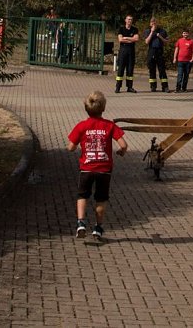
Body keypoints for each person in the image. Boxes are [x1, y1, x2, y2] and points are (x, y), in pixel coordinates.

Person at [67, 90, 128, 241]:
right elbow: (124, 145)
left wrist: (78, 146)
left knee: (82, 196)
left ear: (86, 108)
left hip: (86, 168)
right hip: (104, 170)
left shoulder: (81, 126)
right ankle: (98, 227)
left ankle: (81, 223)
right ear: (103, 108)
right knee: (101, 199)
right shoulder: (110, 126)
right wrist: (121, 151)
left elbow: (70, 147)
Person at [116, 14, 139, 93]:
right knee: (121, 69)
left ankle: (129, 87)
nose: (130, 21)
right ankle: (118, 87)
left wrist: (126, 37)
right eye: (128, 19)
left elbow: (136, 39)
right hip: (123, 51)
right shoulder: (121, 29)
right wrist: (130, 40)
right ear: (125, 20)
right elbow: (120, 40)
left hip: (131, 51)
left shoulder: (135, 29)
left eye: (131, 19)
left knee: (130, 70)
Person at [144, 17, 169, 92]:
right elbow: (146, 42)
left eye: (154, 22)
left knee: (162, 69)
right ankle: (153, 86)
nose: (153, 23)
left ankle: (165, 87)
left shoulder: (162, 31)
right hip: (151, 51)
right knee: (152, 69)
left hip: (159, 51)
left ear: (157, 23)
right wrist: (152, 32)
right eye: (152, 22)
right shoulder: (147, 31)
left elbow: (166, 41)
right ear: (150, 24)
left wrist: (160, 36)